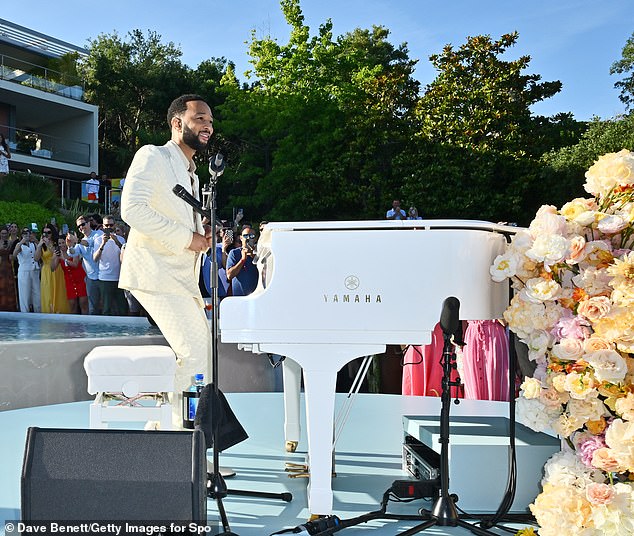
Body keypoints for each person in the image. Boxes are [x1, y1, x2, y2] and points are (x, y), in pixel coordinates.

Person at [119, 93, 214, 427]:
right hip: (155, 273)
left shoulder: (193, 173)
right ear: (178, 123)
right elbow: (131, 210)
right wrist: (190, 239)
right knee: (194, 353)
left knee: (202, 357)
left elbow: (178, 220)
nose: (208, 126)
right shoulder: (153, 155)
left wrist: (201, 239)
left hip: (181, 278)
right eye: (200, 118)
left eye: (211, 121)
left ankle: (166, 428)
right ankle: (181, 440)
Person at [93, 215, 127, 315]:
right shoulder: (98, 240)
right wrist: (103, 244)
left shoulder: (121, 239)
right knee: (106, 309)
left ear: (114, 225)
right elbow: (95, 258)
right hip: (105, 278)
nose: (108, 228)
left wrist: (116, 241)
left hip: (119, 278)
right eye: (106, 225)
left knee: (122, 308)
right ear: (103, 226)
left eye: (111, 225)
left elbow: (126, 256)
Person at [71, 214, 102, 314]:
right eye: (79, 226)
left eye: (83, 224)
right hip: (91, 278)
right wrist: (69, 246)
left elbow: (90, 243)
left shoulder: (98, 234)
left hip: (104, 276)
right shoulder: (80, 242)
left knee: (107, 307)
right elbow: (73, 253)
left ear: (89, 223)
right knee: (93, 308)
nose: (81, 227)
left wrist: (77, 241)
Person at [35, 224, 69, 314]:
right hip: (46, 271)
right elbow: (36, 258)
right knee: (48, 294)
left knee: (59, 293)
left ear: (52, 233)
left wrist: (47, 244)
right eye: (44, 232)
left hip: (57, 269)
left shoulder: (56, 242)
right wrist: (39, 246)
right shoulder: (42, 244)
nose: (46, 234)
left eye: (48, 232)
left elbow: (56, 253)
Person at [53, 235, 88, 314]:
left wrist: (64, 259)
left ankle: (85, 324)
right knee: (72, 305)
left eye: (63, 242)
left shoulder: (74, 250)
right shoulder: (59, 254)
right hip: (69, 282)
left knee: (83, 303)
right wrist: (54, 256)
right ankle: (74, 325)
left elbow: (75, 264)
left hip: (80, 279)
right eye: (59, 243)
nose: (61, 245)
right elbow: (53, 268)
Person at [226, 224, 259, 296]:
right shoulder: (234, 253)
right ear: (241, 238)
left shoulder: (260, 253)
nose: (248, 238)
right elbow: (229, 276)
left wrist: (254, 257)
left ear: (256, 239)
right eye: (245, 236)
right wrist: (242, 260)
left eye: (251, 236)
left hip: (257, 296)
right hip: (239, 298)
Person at [13, 228, 41, 312]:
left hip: (34, 270)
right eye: (24, 233)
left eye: (28, 232)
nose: (27, 234)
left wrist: (35, 240)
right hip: (24, 271)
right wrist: (22, 241)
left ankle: (38, 312)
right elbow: (14, 255)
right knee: (24, 296)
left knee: (37, 294)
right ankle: (25, 315)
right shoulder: (19, 244)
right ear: (21, 235)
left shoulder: (33, 244)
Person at [0, 226, 18, 311]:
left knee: (9, 286)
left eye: (5, 233)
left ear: (8, 234)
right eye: (2, 233)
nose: (4, 235)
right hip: (1, 265)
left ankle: (10, 306)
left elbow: (13, 255)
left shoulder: (11, 242)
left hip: (9, 265)